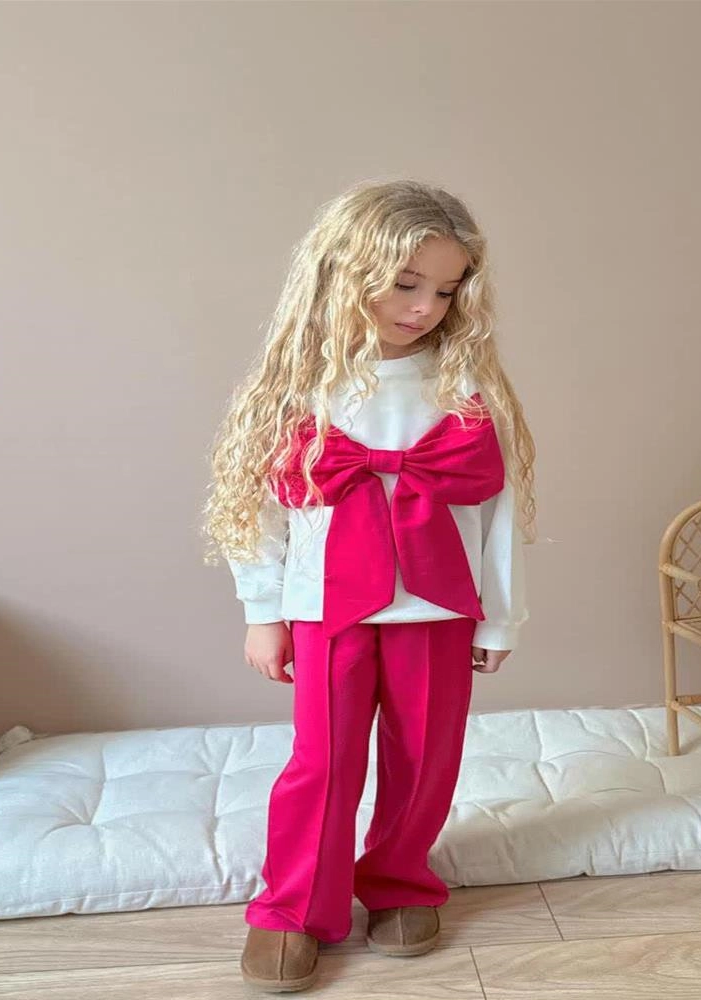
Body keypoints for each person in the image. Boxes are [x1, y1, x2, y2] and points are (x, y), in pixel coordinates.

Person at [202, 178, 537, 993]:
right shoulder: (297, 387)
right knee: (322, 761)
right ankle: (294, 907)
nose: (425, 307)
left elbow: (495, 513)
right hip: (328, 606)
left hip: (437, 606)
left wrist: (498, 619)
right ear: (345, 273)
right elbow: (261, 513)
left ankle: (398, 881)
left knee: (424, 756)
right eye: (406, 283)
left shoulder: (463, 387)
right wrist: (263, 612)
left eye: (446, 290)